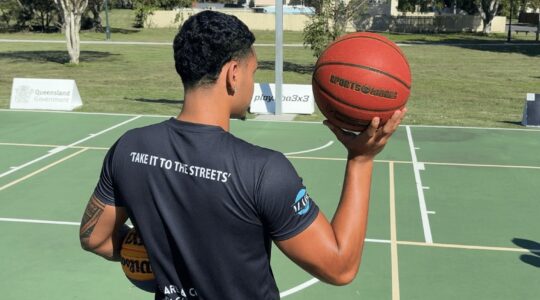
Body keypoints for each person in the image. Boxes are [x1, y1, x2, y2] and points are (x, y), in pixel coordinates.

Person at [79, 10, 406, 300]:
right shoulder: (264, 171)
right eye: (253, 72)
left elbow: (93, 237)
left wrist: (156, 254)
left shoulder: (130, 147)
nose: (253, 84)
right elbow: (340, 267)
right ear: (233, 74)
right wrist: (361, 160)